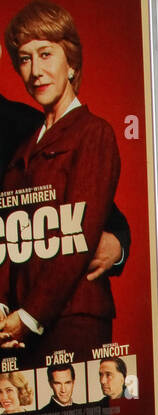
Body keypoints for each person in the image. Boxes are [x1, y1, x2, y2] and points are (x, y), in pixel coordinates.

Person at [0, 3, 122, 367]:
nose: (35, 71)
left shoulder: (93, 133)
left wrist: (28, 316)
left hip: (69, 321)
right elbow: (10, 233)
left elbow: (82, 233)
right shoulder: (26, 143)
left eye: (45, 54)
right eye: (24, 59)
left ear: (71, 62)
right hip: (18, 326)